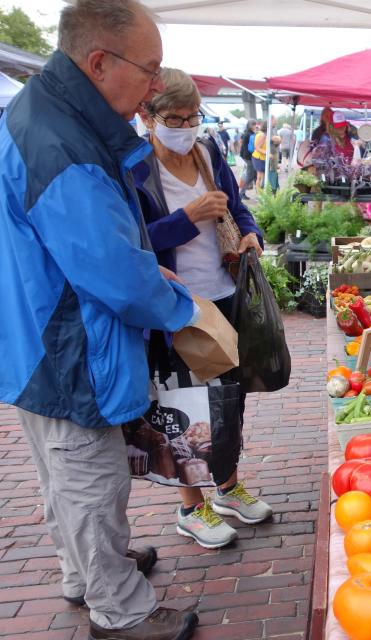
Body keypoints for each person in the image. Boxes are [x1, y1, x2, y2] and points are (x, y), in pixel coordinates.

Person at [0, 1, 200, 638]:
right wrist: (182, 309)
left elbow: (85, 246)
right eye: (150, 71)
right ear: (98, 62)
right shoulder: (62, 141)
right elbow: (111, 273)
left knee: (63, 471)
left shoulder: (41, 114)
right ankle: (121, 610)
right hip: (65, 344)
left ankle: (87, 573)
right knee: (92, 476)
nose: (154, 88)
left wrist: (139, 264)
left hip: (33, 331)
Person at [133, 67, 273, 549]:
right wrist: (184, 220)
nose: (187, 125)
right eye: (176, 116)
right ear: (147, 116)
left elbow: (237, 207)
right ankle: (192, 506)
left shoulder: (210, 152)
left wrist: (251, 231)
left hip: (224, 293)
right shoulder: (133, 167)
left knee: (228, 398)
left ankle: (228, 485)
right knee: (185, 406)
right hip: (175, 306)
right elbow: (131, 243)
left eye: (194, 115)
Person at [238, 119, 257, 195]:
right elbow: (247, 148)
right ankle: (241, 194)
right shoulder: (249, 134)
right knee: (250, 176)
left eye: (255, 124)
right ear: (250, 125)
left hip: (247, 156)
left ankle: (259, 193)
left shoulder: (248, 133)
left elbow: (243, 145)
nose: (255, 126)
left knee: (254, 175)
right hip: (248, 157)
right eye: (253, 125)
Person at [252, 121, 267, 191]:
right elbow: (257, 147)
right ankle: (259, 193)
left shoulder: (260, 134)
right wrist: (267, 153)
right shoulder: (262, 135)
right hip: (259, 157)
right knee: (260, 177)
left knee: (261, 176)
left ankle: (260, 192)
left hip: (260, 157)